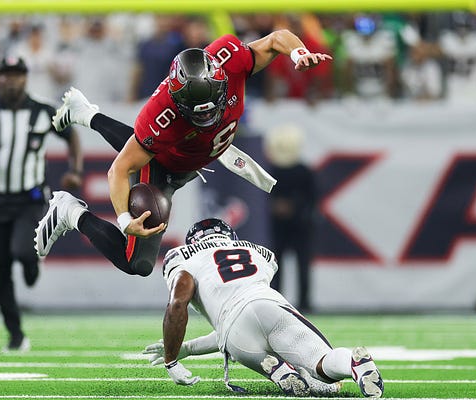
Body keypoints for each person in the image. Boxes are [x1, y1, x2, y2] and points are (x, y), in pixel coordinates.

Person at [34, 30, 332, 278]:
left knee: (145, 144)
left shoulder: (229, 59)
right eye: (197, 113)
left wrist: (298, 54)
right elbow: (120, 170)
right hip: (164, 166)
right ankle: (69, 211)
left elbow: (277, 38)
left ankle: (85, 113)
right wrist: (124, 221)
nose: (208, 117)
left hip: (195, 153)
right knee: (138, 264)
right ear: (178, 102)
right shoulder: (160, 116)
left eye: (212, 106)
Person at [142, 218, 383, 398]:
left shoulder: (183, 256)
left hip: (234, 332)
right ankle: (353, 364)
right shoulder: (257, 252)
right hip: (269, 305)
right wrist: (188, 348)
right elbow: (250, 305)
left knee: (244, 341)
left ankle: (276, 369)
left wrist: (172, 358)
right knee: (321, 363)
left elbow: (178, 304)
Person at [0, 56, 83, 352]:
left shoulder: (43, 110)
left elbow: (71, 137)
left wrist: (75, 171)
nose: (11, 80)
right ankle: (15, 334)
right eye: (6, 74)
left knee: (22, 250)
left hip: (30, 198)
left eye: (17, 75)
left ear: (25, 79)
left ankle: (32, 264)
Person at [264, 125, 317, 312]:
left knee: (302, 265)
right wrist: (275, 206)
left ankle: (305, 303)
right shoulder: (272, 170)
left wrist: (292, 206)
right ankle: (277, 302)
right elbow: (263, 198)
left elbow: (313, 198)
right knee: (275, 266)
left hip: (300, 225)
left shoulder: (303, 171)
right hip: (279, 226)